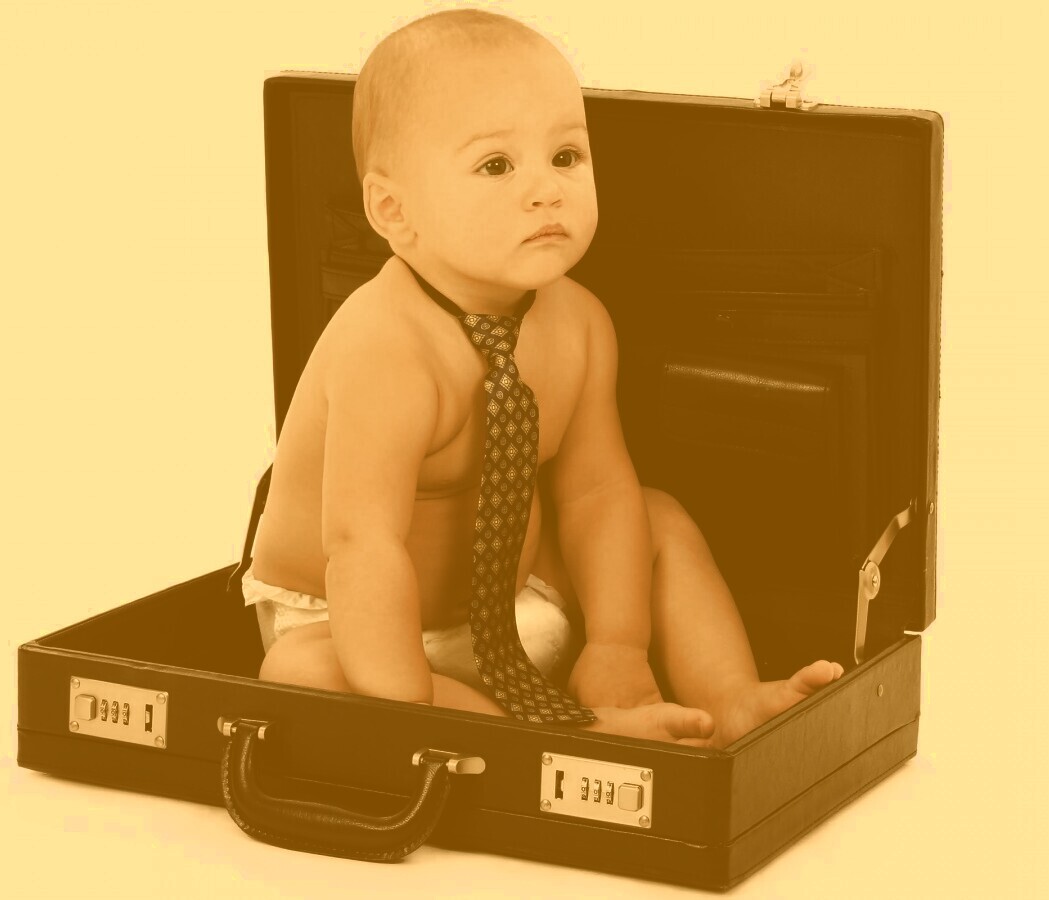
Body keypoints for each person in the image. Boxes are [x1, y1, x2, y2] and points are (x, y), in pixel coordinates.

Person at [243, 8, 843, 746]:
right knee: (301, 672)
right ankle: (553, 741)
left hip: (513, 606)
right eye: (497, 166)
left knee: (656, 517)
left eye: (566, 156)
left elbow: (594, 492)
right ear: (393, 211)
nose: (546, 190)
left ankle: (728, 701)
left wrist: (616, 643)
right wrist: (403, 704)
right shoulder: (384, 346)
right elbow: (361, 545)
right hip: (355, 625)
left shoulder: (579, 323)